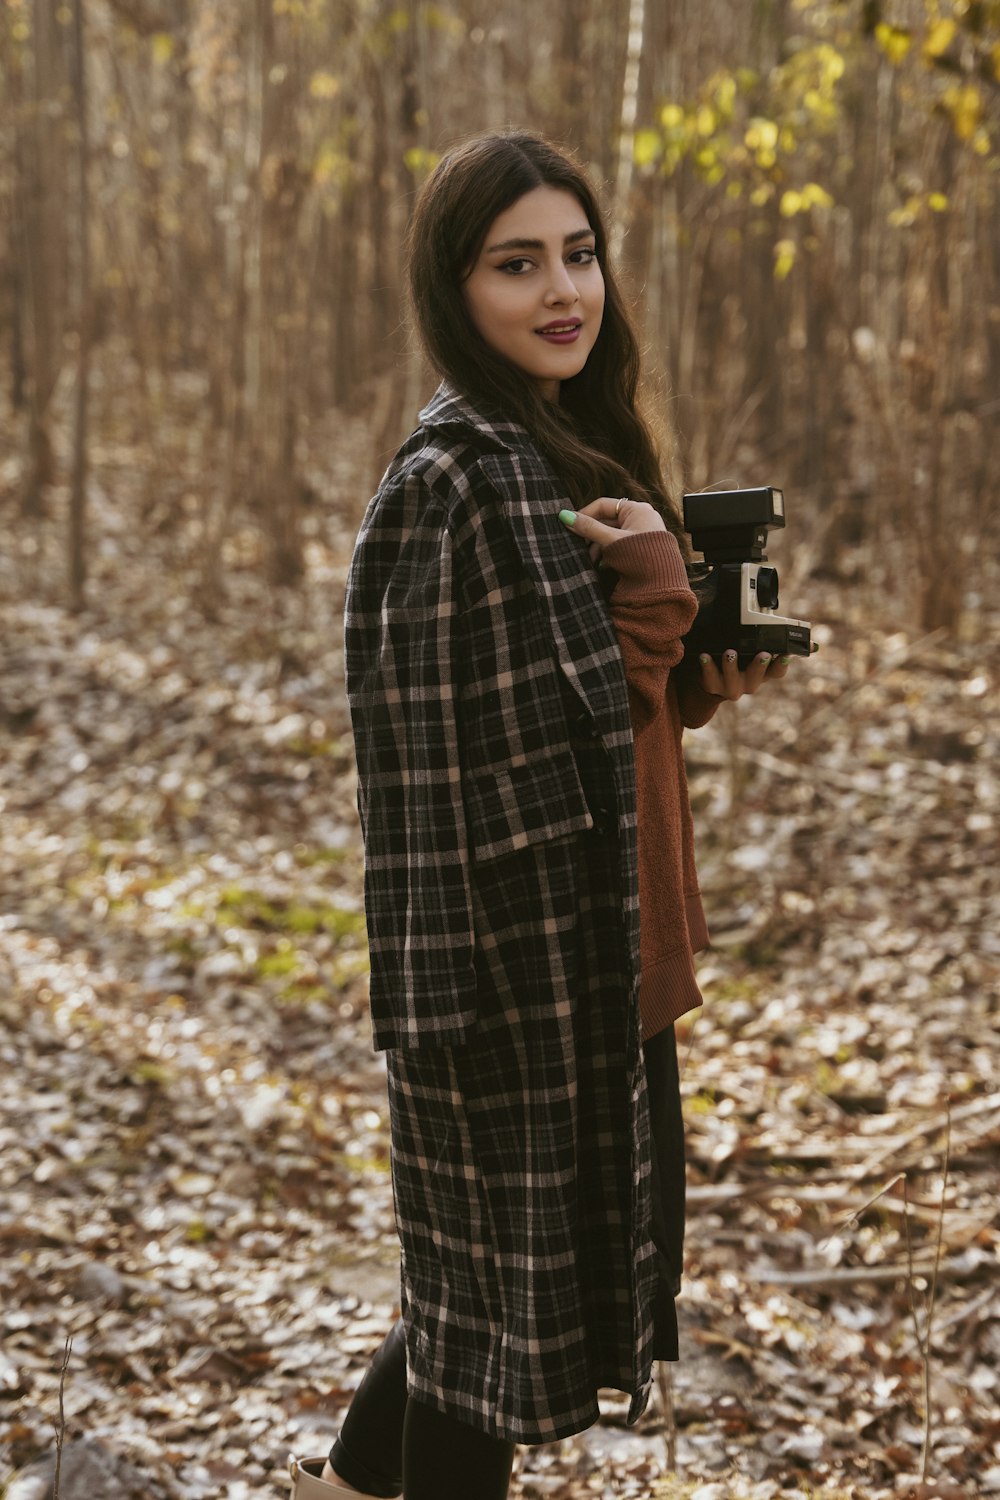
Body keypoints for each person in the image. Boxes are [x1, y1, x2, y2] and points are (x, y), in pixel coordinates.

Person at [288, 130, 793, 1500]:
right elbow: (463, 760)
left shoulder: (552, 453)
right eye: (520, 264)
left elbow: (578, 731)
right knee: (482, 1351)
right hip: (510, 983)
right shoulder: (451, 484)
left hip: (603, 963)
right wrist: (646, 609)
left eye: (580, 256)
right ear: (458, 289)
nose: (564, 291)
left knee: (479, 1317)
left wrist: (685, 682)